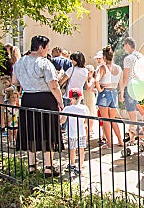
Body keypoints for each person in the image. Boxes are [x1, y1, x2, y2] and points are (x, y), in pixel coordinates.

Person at [12, 35, 64, 177]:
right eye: (47, 48)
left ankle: (31, 165)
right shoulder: (44, 63)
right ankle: (48, 166)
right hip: (45, 99)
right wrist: (60, 102)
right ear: (41, 48)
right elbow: (53, 85)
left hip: (28, 98)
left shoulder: (20, 62)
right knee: (47, 131)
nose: (47, 50)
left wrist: (28, 82)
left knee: (31, 130)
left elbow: (14, 81)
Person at [95, 45, 123, 148]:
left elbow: (96, 80)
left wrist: (99, 89)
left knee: (106, 120)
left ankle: (109, 143)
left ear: (104, 57)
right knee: (113, 119)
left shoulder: (103, 67)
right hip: (114, 93)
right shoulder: (118, 68)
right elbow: (121, 82)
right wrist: (122, 95)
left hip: (104, 93)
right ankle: (120, 140)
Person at [60, 88, 89, 175]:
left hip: (71, 133)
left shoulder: (67, 109)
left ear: (70, 98)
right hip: (82, 132)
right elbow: (86, 121)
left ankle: (72, 163)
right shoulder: (84, 108)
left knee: (72, 149)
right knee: (81, 150)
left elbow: (63, 120)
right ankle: (79, 167)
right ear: (80, 97)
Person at [120, 37, 144, 140]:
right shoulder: (141, 56)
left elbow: (126, 76)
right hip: (140, 86)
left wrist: (121, 92)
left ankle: (132, 137)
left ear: (127, 45)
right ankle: (142, 136)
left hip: (130, 86)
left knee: (131, 113)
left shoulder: (128, 58)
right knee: (141, 112)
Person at [84, 65, 97, 139]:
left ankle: (89, 130)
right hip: (85, 95)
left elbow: (88, 87)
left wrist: (86, 79)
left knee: (91, 113)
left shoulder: (92, 79)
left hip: (89, 96)